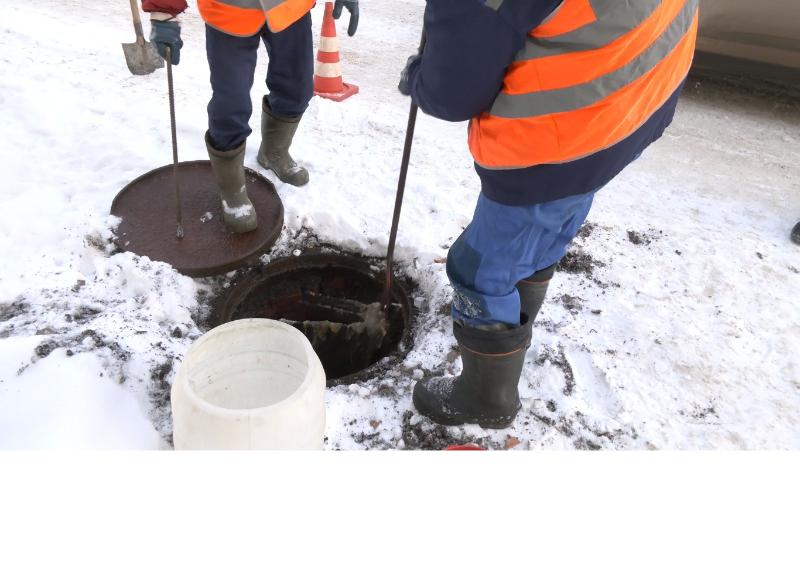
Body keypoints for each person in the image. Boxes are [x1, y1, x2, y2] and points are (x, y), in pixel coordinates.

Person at [400, 0, 700, 428]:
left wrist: (419, 78)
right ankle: (511, 331)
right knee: (545, 231)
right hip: (632, 97)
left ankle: (487, 397)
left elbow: (453, 91)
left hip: (560, 136)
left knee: (478, 269)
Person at [142, 0, 360, 233]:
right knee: (231, 103)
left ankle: (274, 153)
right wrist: (163, 10)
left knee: (297, 89)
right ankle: (232, 191)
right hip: (229, 12)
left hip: (290, 8)